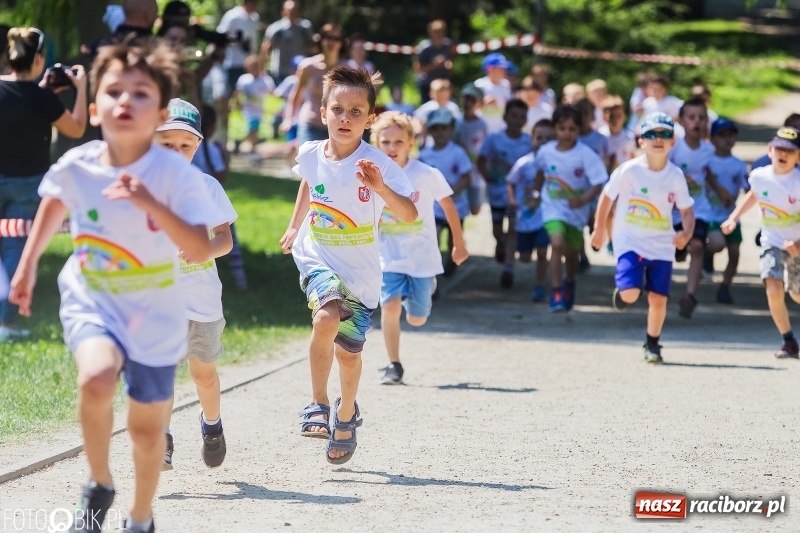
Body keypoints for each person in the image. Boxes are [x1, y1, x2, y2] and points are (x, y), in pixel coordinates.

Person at [9, 40, 219, 533]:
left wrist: (150, 202)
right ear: (94, 107)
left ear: (160, 113)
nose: (126, 100)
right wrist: (28, 265)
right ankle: (99, 482)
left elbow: (200, 246)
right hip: (94, 297)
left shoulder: (176, 175)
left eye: (140, 93)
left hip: (156, 311)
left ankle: (140, 516)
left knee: (146, 433)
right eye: (113, 91)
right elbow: (54, 202)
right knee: (96, 379)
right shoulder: (78, 164)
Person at [279, 66, 417, 463]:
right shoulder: (309, 152)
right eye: (338, 109)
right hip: (317, 254)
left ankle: (346, 413)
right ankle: (317, 403)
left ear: (370, 119)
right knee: (325, 317)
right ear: (323, 113)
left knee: (349, 354)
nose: (345, 118)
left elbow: (408, 214)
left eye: (356, 112)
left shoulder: (379, 164)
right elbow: (309, 181)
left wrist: (380, 188)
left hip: (361, 271)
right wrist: (294, 226)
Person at [154, 99, 236, 471]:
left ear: (198, 145)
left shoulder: (206, 187)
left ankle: (212, 425)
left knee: (202, 373)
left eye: (185, 145)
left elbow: (225, 239)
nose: (176, 152)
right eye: (167, 144)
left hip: (201, 300)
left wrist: (203, 250)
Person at [0, 27, 87, 342]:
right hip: (28, 184)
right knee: (15, 248)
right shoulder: (42, 98)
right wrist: (82, 88)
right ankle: (5, 322)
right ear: (38, 59)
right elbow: (76, 128)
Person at [371, 111, 468, 385]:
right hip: (388, 256)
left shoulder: (426, 174)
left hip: (422, 258)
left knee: (416, 319)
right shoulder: (371, 176)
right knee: (390, 306)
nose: (392, 148)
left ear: (411, 143)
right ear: (376, 143)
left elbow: (448, 205)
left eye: (398, 142)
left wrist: (458, 244)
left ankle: (424, 290)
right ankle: (394, 365)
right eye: (385, 142)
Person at [590, 112, 695, 364]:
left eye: (664, 134)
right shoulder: (629, 170)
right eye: (651, 134)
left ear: (673, 142)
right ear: (641, 141)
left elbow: (687, 211)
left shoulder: (675, 175)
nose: (658, 139)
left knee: (658, 298)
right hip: (630, 240)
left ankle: (652, 344)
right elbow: (607, 197)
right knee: (631, 294)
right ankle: (623, 293)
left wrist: (687, 233)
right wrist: (599, 229)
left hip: (662, 244)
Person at [722, 127, 800, 358]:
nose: (783, 154)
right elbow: (754, 195)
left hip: (796, 245)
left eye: (790, 151)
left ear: (798, 157)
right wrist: (733, 218)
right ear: (769, 151)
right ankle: (788, 340)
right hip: (771, 242)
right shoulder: (759, 176)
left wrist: (798, 245)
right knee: (772, 286)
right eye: (779, 149)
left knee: (797, 294)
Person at [531, 105, 608, 312]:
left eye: (572, 129)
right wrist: (536, 195)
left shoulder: (585, 154)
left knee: (572, 254)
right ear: (555, 128)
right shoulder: (546, 152)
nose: (567, 133)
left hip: (576, 212)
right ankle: (556, 291)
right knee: (556, 244)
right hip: (552, 207)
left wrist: (583, 200)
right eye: (562, 128)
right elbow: (540, 173)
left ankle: (570, 281)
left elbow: (598, 182)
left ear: (579, 130)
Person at [669, 97, 733, 319]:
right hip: (672, 211)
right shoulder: (673, 148)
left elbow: (707, 173)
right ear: (681, 121)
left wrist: (720, 191)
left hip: (698, 209)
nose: (696, 121)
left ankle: (690, 296)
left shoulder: (708, 150)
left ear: (707, 121)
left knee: (696, 246)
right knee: (674, 250)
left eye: (701, 118)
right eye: (691, 117)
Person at [477, 98, 531, 275]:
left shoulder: (529, 141)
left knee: (513, 227)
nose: (517, 120)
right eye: (514, 116)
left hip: (518, 194)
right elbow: (482, 159)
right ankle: (500, 242)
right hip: (497, 192)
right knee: (497, 229)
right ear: (505, 117)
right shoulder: (494, 139)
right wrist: (487, 176)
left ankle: (509, 267)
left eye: (522, 116)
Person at [504, 118, 555, 300]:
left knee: (542, 251)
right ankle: (511, 263)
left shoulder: (555, 164)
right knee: (525, 257)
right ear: (532, 139)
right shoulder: (524, 163)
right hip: (525, 215)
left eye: (549, 138)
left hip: (546, 215)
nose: (543, 142)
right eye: (539, 137)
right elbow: (510, 182)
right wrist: (512, 201)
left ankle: (539, 285)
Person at [419, 108, 473, 276]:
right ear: (429, 131)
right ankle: (433, 268)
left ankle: (452, 260)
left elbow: (466, 177)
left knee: (453, 236)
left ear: (451, 129)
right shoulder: (424, 155)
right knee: (433, 235)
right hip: (433, 206)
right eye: (435, 129)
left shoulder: (458, 152)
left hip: (456, 205)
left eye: (444, 128)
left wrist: (451, 191)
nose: (440, 132)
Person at [704, 118, 748, 304]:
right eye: (722, 135)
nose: (727, 139)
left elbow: (748, 188)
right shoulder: (707, 161)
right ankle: (707, 254)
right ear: (712, 138)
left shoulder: (739, 164)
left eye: (731, 135)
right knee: (717, 244)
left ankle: (725, 286)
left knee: (735, 254)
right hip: (711, 214)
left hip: (731, 215)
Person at [282, 23, 346, 145]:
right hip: (310, 123)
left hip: (337, 127)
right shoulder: (308, 66)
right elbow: (296, 95)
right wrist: (288, 119)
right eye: (328, 37)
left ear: (341, 42)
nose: (332, 42)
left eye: (336, 38)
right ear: (320, 39)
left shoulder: (347, 69)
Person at [453, 83, 488, 216]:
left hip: (476, 171)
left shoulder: (482, 124)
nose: (468, 103)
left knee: (475, 209)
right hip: (458, 171)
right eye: (465, 99)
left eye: (472, 100)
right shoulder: (456, 122)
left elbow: (485, 147)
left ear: (478, 103)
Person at [260, 0, 313, 85]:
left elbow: (311, 47)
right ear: (283, 12)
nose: (292, 14)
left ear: (298, 12)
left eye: (294, 11)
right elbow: (266, 49)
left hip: (299, 71)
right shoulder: (275, 28)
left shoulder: (305, 28)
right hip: (280, 71)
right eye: (289, 11)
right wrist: (262, 68)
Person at [233, 54, 275, 160]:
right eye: (251, 66)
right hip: (247, 110)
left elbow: (273, 93)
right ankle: (250, 147)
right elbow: (237, 93)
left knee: (254, 129)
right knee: (252, 128)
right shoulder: (244, 79)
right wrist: (236, 103)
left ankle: (246, 145)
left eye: (256, 66)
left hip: (259, 110)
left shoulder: (266, 80)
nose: (254, 69)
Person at [216, 0, 261, 97]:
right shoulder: (232, 16)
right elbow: (220, 37)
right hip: (234, 62)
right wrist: (237, 42)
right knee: (234, 93)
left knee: (249, 95)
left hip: (250, 63)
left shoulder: (255, 17)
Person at [89, 0, 157, 56]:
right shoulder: (157, 49)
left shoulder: (100, 47)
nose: (156, 16)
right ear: (147, 14)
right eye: (155, 11)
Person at [413, 19, 453, 104]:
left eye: (441, 32)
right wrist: (434, 65)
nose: (439, 35)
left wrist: (447, 65)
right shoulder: (424, 47)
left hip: (443, 83)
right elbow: (418, 69)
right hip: (427, 85)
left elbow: (450, 62)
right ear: (431, 33)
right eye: (436, 32)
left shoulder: (448, 45)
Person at [412, 78, 461, 144]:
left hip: (450, 141)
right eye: (439, 92)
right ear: (432, 93)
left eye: (444, 91)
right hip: (431, 142)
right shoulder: (427, 108)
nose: (442, 95)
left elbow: (458, 125)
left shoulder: (453, 108)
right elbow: (417, 121)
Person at [474, 52, 513, 134]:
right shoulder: (479, 84)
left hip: (501, 129)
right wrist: (484, 102)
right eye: (500, 68)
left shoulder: (506, 85)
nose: (504, 71)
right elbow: (472, 108)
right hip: (483, 130)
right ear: (490, 69)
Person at [598, 95, 636, 172]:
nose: (615, 120)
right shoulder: (600, 136)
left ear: (624, 117)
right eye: (611, 116)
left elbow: (632, 158)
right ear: (604, 117)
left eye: (618, 116)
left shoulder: (628, 137)